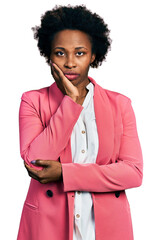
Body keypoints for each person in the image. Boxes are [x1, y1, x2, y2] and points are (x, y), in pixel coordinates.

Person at [17, 4, 143, 240]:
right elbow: (35, 164)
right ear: (49, 55)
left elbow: (133, 173)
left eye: (80, 52)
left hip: (106, 227)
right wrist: (71, 102)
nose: (70, 63)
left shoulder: (120, 105)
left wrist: (65, 173)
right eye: (60, 53)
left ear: (93, 55)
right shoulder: (32, 101)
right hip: (47, 225)